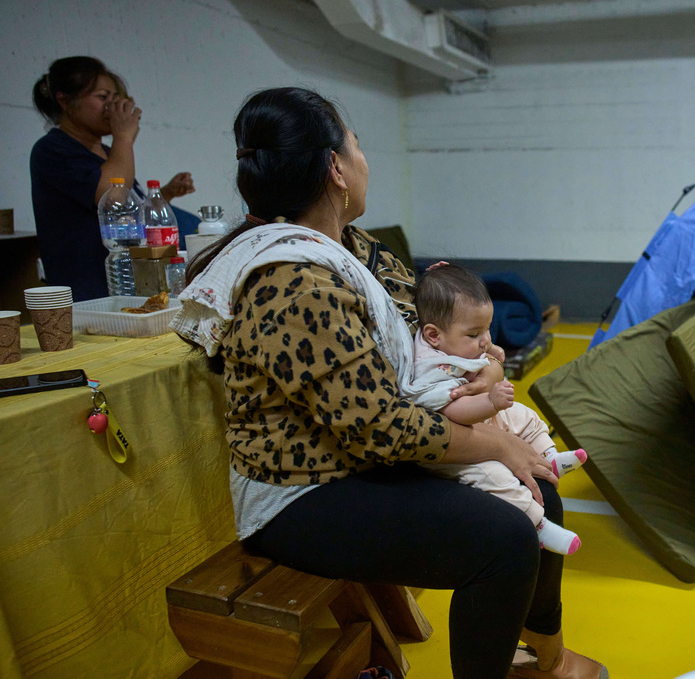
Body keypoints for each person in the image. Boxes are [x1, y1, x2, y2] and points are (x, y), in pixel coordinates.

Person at [169, 87, 608, 679]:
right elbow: (380, 428)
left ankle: (544, 661)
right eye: (357, 145)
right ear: (336, 169)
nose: (364, 159)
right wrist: (497, 441)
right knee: (503, 538)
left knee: (541, 488)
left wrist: (479, 372)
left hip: (365, 458)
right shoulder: (294, 281)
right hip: (305, 491)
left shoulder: (356, 251)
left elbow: (432, 340)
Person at [407, 262, 588, 556]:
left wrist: (489, 353)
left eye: (488, 329)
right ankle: (538, 524)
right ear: (433, 335)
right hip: (454, 447)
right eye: (474, 334)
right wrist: (489, 402)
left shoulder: (453, 342)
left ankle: (549, 456)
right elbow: (452, 412)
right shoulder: (429, 368)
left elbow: (483, 355)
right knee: (494, 477)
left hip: (480, 420)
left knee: (525, 416)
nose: (486, 339)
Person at [30, 56, 195, 301]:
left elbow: (132, 212)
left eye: (114, 97)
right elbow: (114, 199)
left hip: (126, 285)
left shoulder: (108, 154)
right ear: (64, 100)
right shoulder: (52, 149)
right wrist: (124, 137)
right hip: (90, 290)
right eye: (102, 97)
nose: (112, 106)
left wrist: (166, 193)